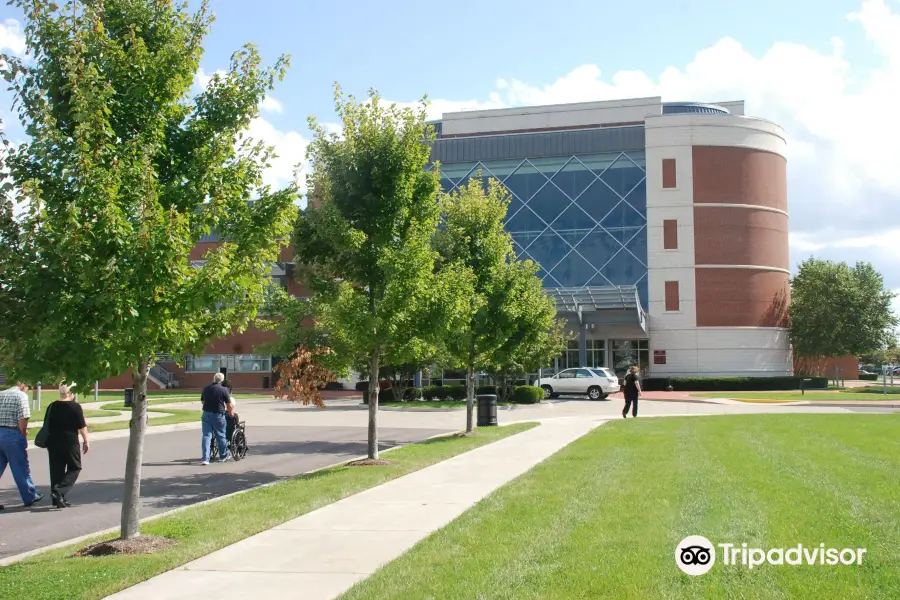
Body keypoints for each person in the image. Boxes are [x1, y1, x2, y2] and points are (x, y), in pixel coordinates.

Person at [44, 384, 90, 508]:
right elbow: (82, 426)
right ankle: (58, 492)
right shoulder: (75, 407)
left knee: (56, 471)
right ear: (72, 392)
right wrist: (86, 441)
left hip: (53, 441)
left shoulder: (52, 406)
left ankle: (58, 499)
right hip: (70, 442)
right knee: (75, 467)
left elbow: (46, 424)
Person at [0, 382, 43, 509]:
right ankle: (29, 496)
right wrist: (23, 433)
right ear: (23, 385)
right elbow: (23, 419)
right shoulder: (21, 396)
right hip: (13, 434)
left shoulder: (1, 394)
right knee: (20, 467)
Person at [200, 372, 232, 465]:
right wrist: (230, 412)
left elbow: (202, 401)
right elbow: (228, 405)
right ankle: (223, 455)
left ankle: (205, 458)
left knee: (206, 436)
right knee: (221, 435)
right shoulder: (224, 390)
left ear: (213, 379)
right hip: (218, 415)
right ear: (222, 380)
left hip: (206, 414)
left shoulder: (206, 389)